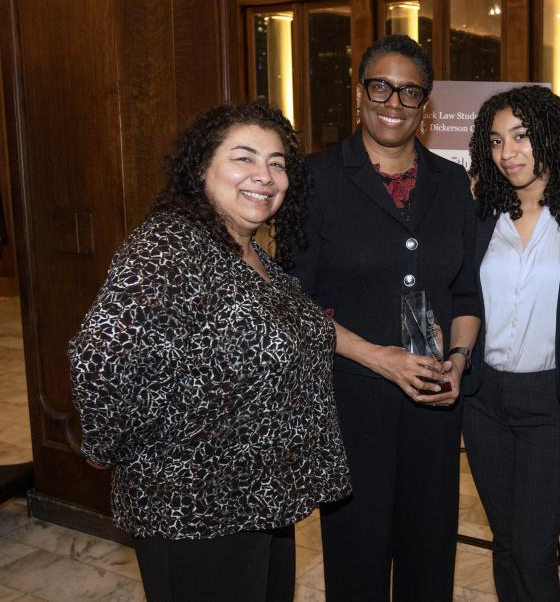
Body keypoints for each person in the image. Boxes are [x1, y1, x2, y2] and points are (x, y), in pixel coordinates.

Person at [69, 101, 351, 602]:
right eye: (243, 158)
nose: (264, 176)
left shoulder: (246, 249)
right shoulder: (170, 246)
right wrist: (104, 445)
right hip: (194, 510)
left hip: (259, 500)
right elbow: (100, 356)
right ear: (202, 168)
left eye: (277, 163)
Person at [293, 34, 481, 602]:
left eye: (409, 92)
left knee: (430, 558)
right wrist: (380, 359)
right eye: (381, 86)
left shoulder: (452, 183)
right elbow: (293, 305)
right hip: (352, 404)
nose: (393, 103)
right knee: (357, 559)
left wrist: (459, 361)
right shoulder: (316, 179)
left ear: (425, 107)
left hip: (434, 405)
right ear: (359, 94)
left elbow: (467, 292)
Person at [464, 85, 560, 601]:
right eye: (496, 141)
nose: (507, 153)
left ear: (551, 138)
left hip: (552, 404)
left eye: (521, 137)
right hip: (484, 401)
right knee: (505, 542)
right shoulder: (478, 218)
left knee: (535, 549)